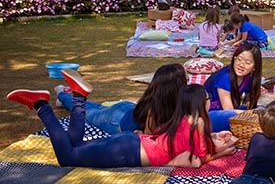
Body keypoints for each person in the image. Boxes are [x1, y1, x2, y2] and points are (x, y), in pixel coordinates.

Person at [6, 71, 235, 168]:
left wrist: (215, 137)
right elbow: (198, 158)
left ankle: (78, 95)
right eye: (208, 97)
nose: (209, 100)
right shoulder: (199, 123)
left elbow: (188, 145)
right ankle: (41, 106)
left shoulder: (183, 119)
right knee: (68, 157)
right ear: (200, 103)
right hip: (129, 151)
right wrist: (225, 150)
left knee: (73, 144)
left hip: (131, 143)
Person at [55, 63, 187, 134]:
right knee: (86, 112)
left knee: (96, 108)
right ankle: (62, 95)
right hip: (116, 120)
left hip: (127, 108)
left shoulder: (160, 99)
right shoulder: (156, 111)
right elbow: (149, 140)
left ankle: (64, 95)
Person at [205, 42, 263, 132]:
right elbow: (228, 110)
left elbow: (249, 103)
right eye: (239, 59)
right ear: (234, 59)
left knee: (263, 109)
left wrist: (254, 111)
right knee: (232, 115)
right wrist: (252, 113)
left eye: (247, 62)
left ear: (254, 67)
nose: (241, 64)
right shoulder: (225, 77)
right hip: (208, 115)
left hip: (223, 112)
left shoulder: (247, 79)